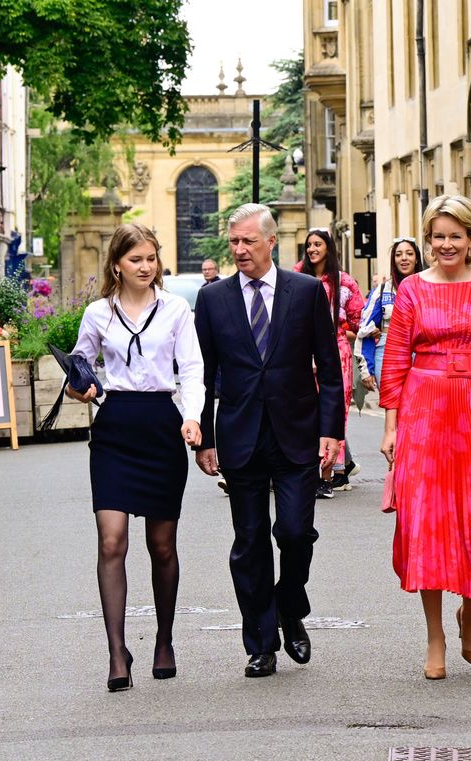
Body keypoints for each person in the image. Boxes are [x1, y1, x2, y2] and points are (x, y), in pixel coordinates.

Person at [378, 194, 471, 681]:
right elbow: (396, 359)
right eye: (438, 236)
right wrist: (390, 427)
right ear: (428, 240)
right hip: (424, 412)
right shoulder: (411, 292)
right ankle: (435, 634)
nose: (446, 245)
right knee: (427, 524)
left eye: (455, 237)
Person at [193, 203, 344, 679]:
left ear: (271, 242)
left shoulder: (305, 292)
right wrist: (205, 439)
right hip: (239, 438)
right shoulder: (214, 300)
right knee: (251, 541)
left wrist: (331, 431)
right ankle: (260, 643)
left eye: (248, 242)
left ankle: (289, 605)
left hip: (297, 434)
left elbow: (330, 368)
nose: (239, 250)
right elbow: (203, 376)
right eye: (233, 242)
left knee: (295, 533)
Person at [64, 223, 205, 691]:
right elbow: (81, 371)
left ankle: (164, 639)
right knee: (112, 541)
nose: (146, 267)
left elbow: (192, 369)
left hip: (162, 425)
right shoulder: (96, 314)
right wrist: (79, 388)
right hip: (115, 428)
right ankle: (116, 652)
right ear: (116, 265)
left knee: (162, 545)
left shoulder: (177, 309)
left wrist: (193, 416)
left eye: (151, 258)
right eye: (136, 260)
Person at [295, 229, 365, 495]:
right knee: (305, 411)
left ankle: (327, 475)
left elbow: (359, 321)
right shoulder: (296, 277)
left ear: (328, 247)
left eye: (318, 244)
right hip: (302, 351)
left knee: (334, 412)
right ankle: (308, 469)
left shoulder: (344, 282)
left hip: (336, 351)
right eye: (309, 245)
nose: (313, 249)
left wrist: (336, 330)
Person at [355, 236, 424, 390]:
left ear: (417, 259)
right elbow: (365, 330)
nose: (404, 258)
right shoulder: (381, 291)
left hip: (422, 354)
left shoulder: (429, 288)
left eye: (409, 254)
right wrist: (366, 370)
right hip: (387, 352)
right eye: (398, 254)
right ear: (393, 260)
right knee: (392, 407)